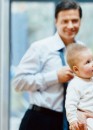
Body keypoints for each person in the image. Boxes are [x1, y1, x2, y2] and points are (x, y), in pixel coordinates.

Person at [12, 0, 82, 130]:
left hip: (71, 120)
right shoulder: (40, 47)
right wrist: (55, 77)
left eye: (75, 20)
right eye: (65, 21)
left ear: (80, 21)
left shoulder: (83, 50)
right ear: (56, 21)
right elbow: (18, 82)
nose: (70, 25)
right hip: (39, 119)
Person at [65, 43, 93, 130]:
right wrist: (73, 120)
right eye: (88, 62)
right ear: (76, 69)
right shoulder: (75, 84)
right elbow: (70, 104)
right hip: (88, 120)